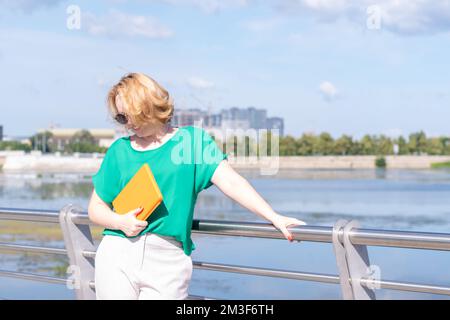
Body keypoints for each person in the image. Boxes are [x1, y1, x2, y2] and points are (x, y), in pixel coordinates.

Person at [87, 72, 306, 300]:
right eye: (121, 118)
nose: (128, 124)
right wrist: (120, 221)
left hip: (167, 257)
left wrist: (273, 216)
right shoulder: (118, 151)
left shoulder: (191, 142)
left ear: (149, 106)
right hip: (116, 252)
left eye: (131, 115)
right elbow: (96, 207)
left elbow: (231, 182)